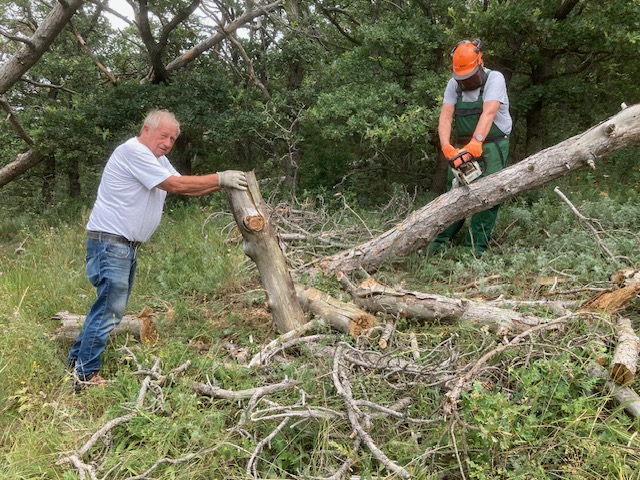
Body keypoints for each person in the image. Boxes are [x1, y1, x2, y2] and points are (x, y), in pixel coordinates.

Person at [67, 109, 248, 390]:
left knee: (109, 309)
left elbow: (184, 188)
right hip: (110, 243)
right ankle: (86, 376)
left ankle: (77, 364)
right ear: (146, 129)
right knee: (109, 310)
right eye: (164, 135)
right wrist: (220, 177)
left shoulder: (158, 159)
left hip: (123, 246)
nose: (168, 143)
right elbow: (173, 184)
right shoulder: (134, 151)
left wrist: (225, 185)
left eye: (173, 139)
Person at [429, 39, 512, 256]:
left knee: (488, 196)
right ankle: (437, 245)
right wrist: (447, 146)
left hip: (493, 144)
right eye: (461, 77)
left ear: (480, 63)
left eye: (469, 76)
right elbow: (446, 117)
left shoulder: (495, 79)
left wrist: (477, 142)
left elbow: (489, 112)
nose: (465, 81)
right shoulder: (453, 85)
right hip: (463, 145)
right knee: (453, 193)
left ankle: (473, 251)